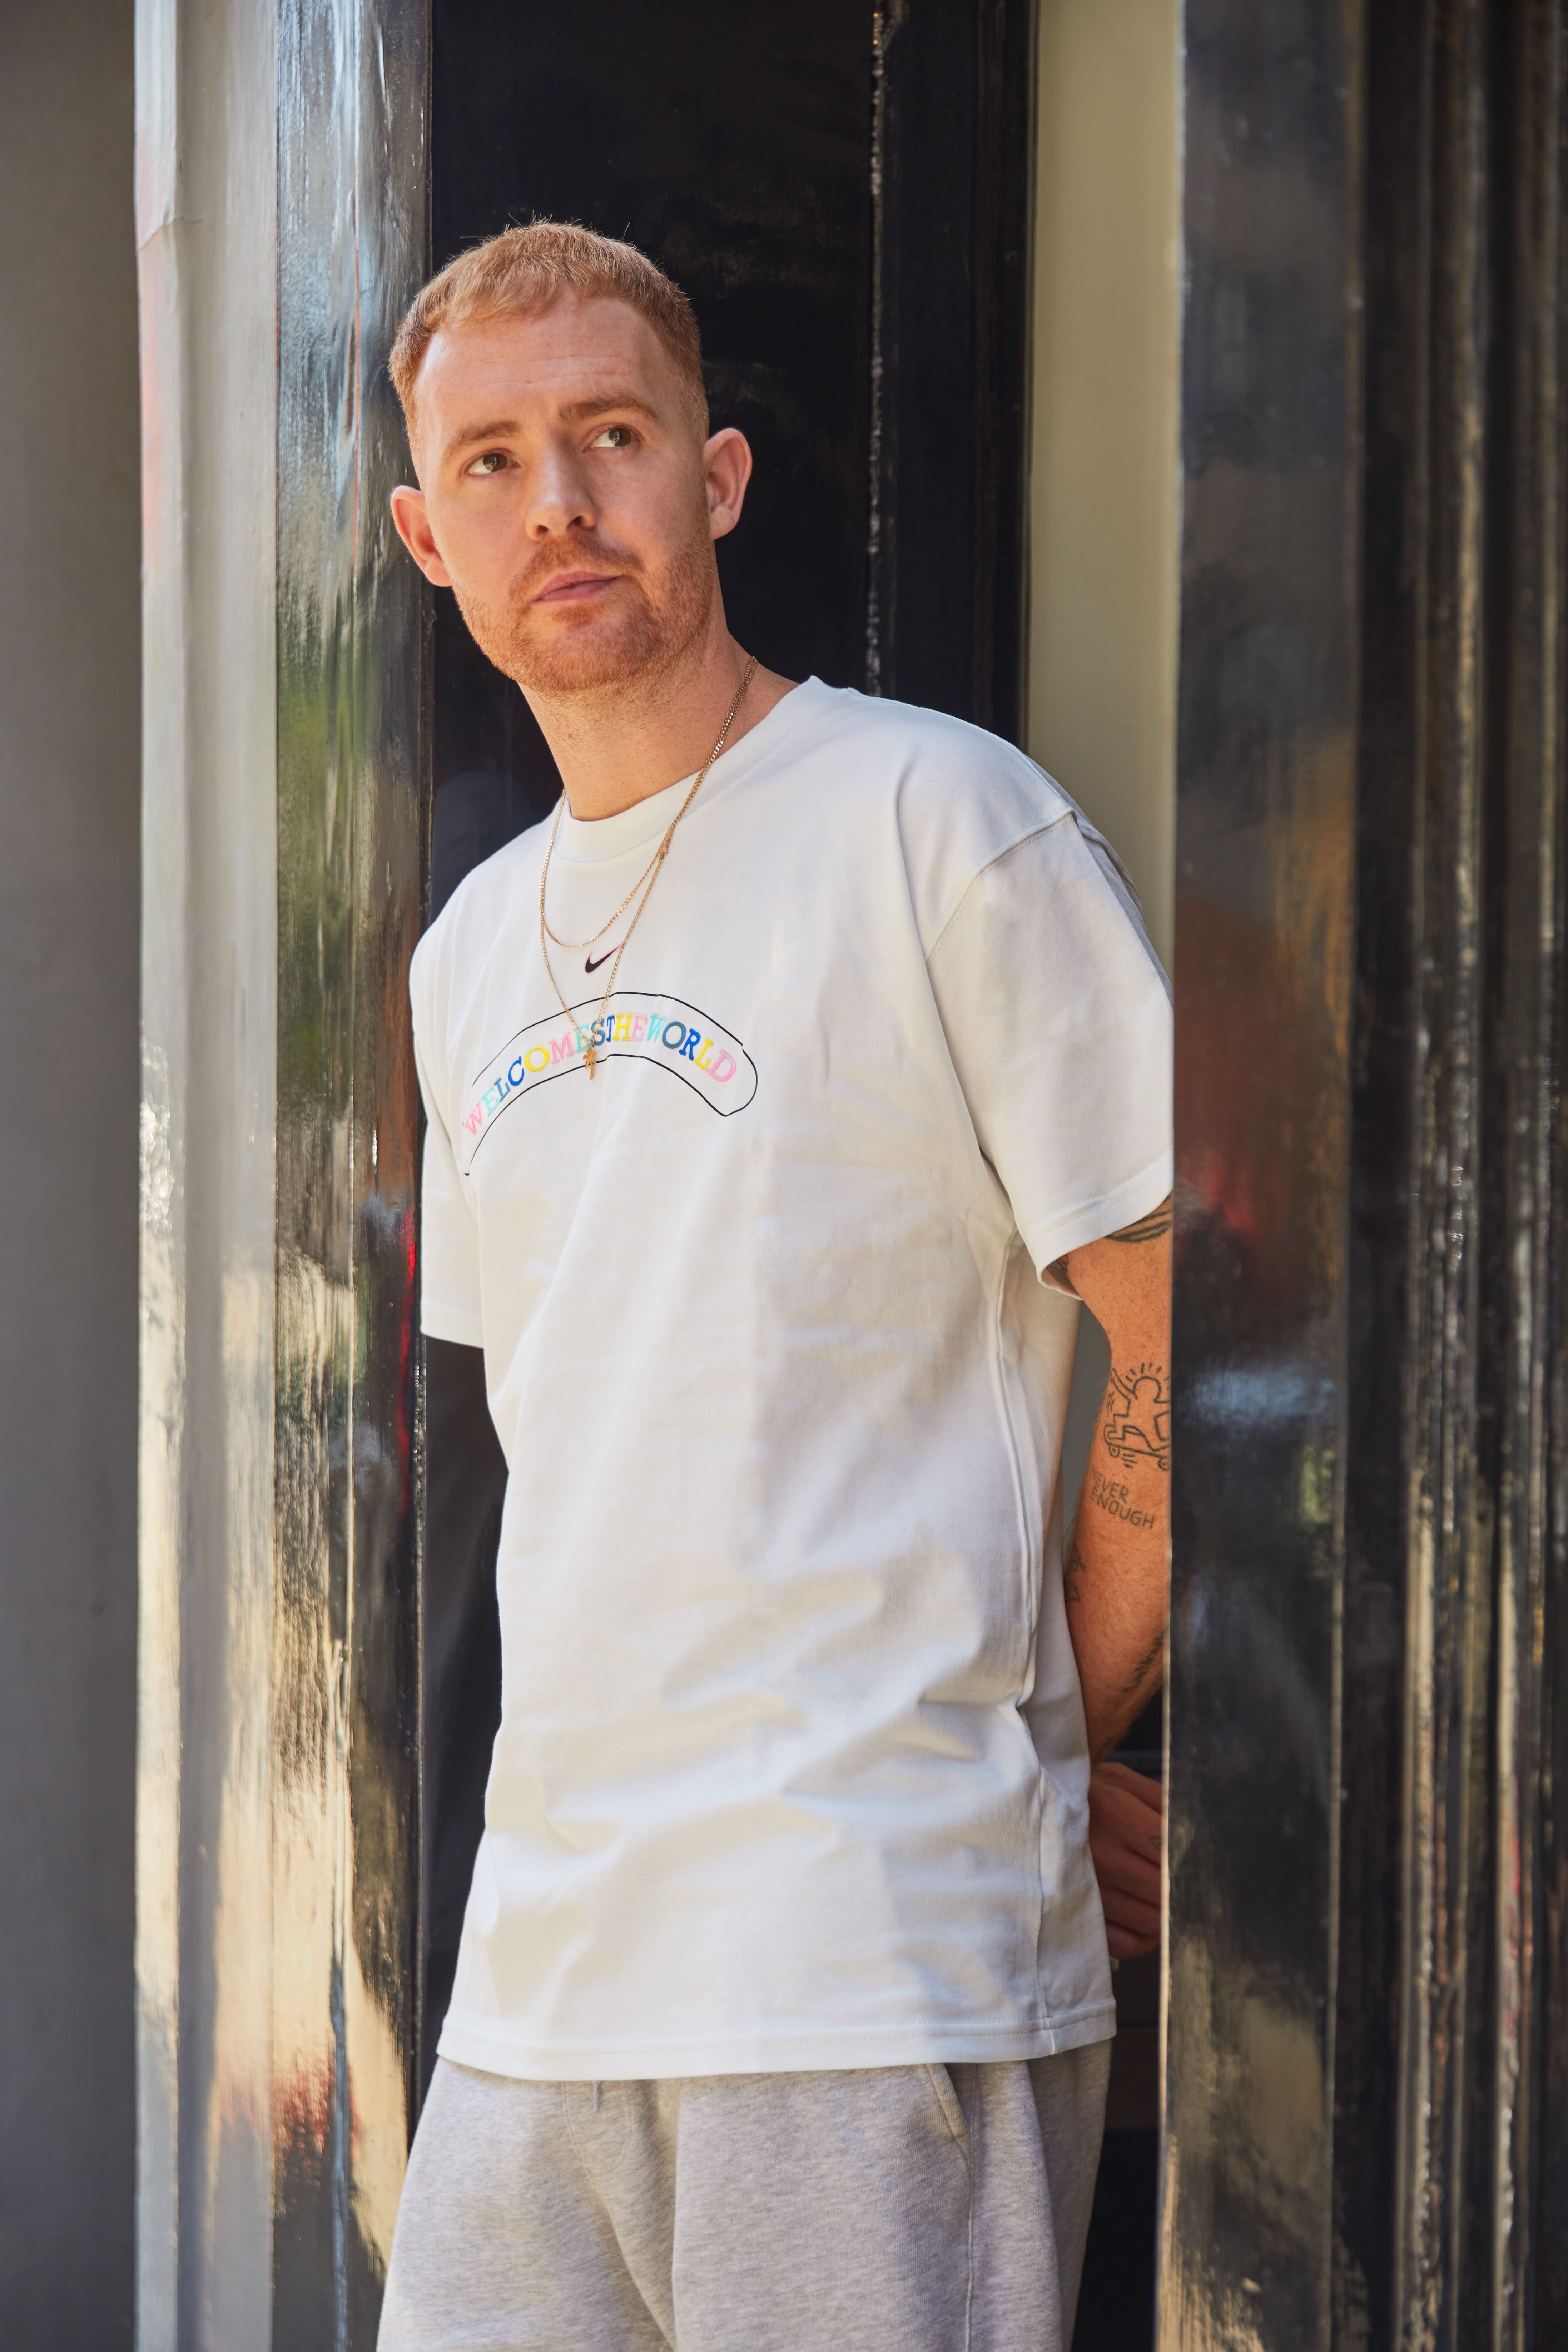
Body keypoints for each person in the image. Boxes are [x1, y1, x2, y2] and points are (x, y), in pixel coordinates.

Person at [380, 221, 1170, 2352]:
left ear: (714, 477)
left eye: (612, 436)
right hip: (538, 1988)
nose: (558, 502)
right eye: (491, 462)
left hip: (864, 1967)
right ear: (428, 540)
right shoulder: (468, 955)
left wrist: (1044, 1726)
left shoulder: (940, 821)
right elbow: (582, 1455)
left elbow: (1189, 1328)